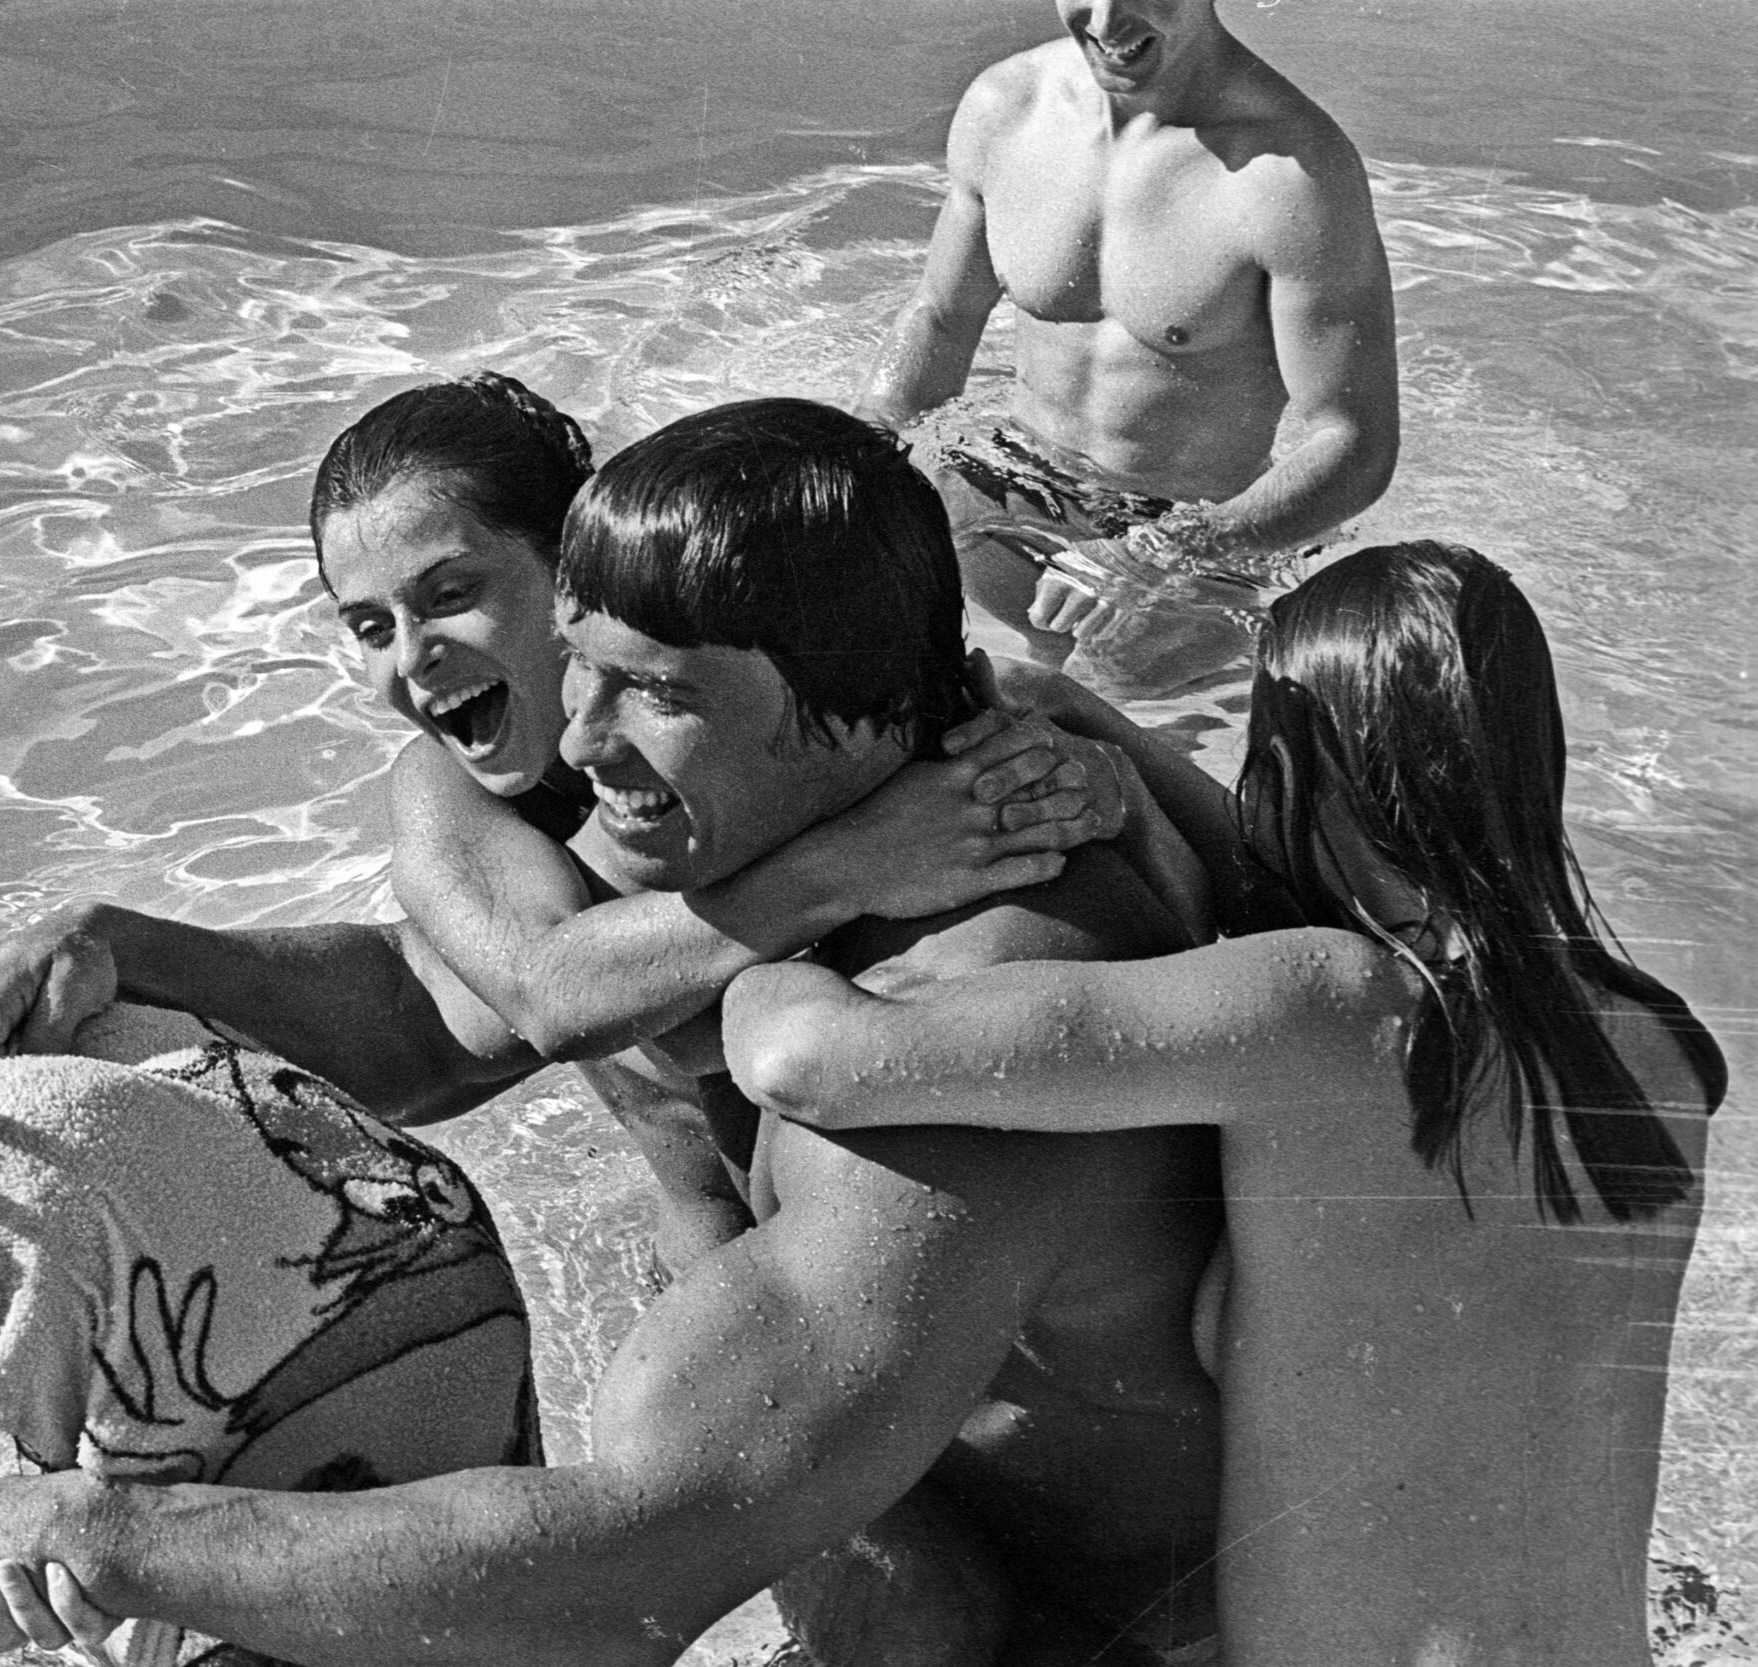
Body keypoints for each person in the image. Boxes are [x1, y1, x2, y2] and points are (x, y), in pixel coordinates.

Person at [0, 399, 1226, 1667]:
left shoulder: (975, 982)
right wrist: (124, 950)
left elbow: (635, 1566)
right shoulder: (582, 807)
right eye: (365, 625)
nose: (588, 740)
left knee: (897, 1612)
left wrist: (94, 1535)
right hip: (830, 1368)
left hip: (1099, 1564)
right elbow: (469, 1008)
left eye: (652, 684)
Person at [0, 375, 1139, 1273]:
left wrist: (1119, 754)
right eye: (363, 624)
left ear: (585, 557)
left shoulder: (823, 710)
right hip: (758, 1320)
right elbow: (526, 995)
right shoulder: (475, 819)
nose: (407, 663)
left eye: (453, 593)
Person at [722, 541, 1728, 1667]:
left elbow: (806, 1058)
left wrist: (784, 926)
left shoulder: (1326, 1012)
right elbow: (1318, 890)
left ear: (1288, 774)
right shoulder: (1665, 1050)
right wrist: (1077, 715)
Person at [862, 0, 1399, 697]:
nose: (1110, 19)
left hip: (1188, 550)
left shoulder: (1293, 172)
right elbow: (940, 318)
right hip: (1005, 491)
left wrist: (1160, 553)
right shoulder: (1006, 107)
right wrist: (853, 467)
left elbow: (1355, 443)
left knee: (1099, 746)